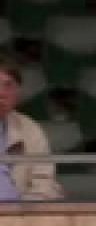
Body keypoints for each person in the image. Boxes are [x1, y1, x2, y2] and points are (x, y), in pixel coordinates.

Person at [0, 53, 59, 201]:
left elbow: (44, 183)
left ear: (17, 92)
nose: (1, 93)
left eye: (8, 85)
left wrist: (24, 209)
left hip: (18, 212)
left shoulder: (29, 130)